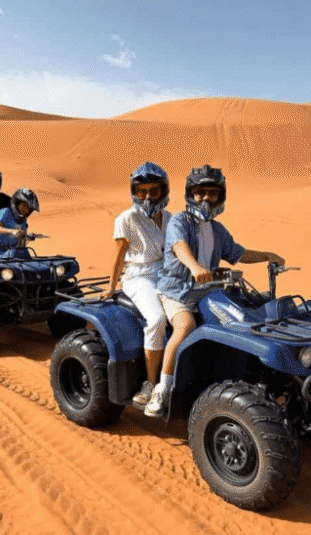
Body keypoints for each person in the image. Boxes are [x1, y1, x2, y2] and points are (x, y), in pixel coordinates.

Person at [145, 165, 284, 418]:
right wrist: (195, 266)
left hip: (209, 291)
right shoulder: (180, 221)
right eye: (200, 193)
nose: (206, 199)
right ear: (191, 194)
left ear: (220, 197)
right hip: (178, 292)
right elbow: (179, 246)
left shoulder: (218, 230)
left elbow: (238, 253)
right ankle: (162, 389)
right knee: (185, 326)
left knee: (244, 317)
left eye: (212, 193)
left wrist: (267, 255)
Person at [100, 163, 173, 407]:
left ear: (164, 191)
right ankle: (151, 383)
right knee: (157, 319)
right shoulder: (126, 219)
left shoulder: (170, 218)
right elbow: (118, 257)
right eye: (142, 191)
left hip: (167, 275)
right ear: (134, 191)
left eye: (154, 191)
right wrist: (112, 287)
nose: (148, 197)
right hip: (138, 277)